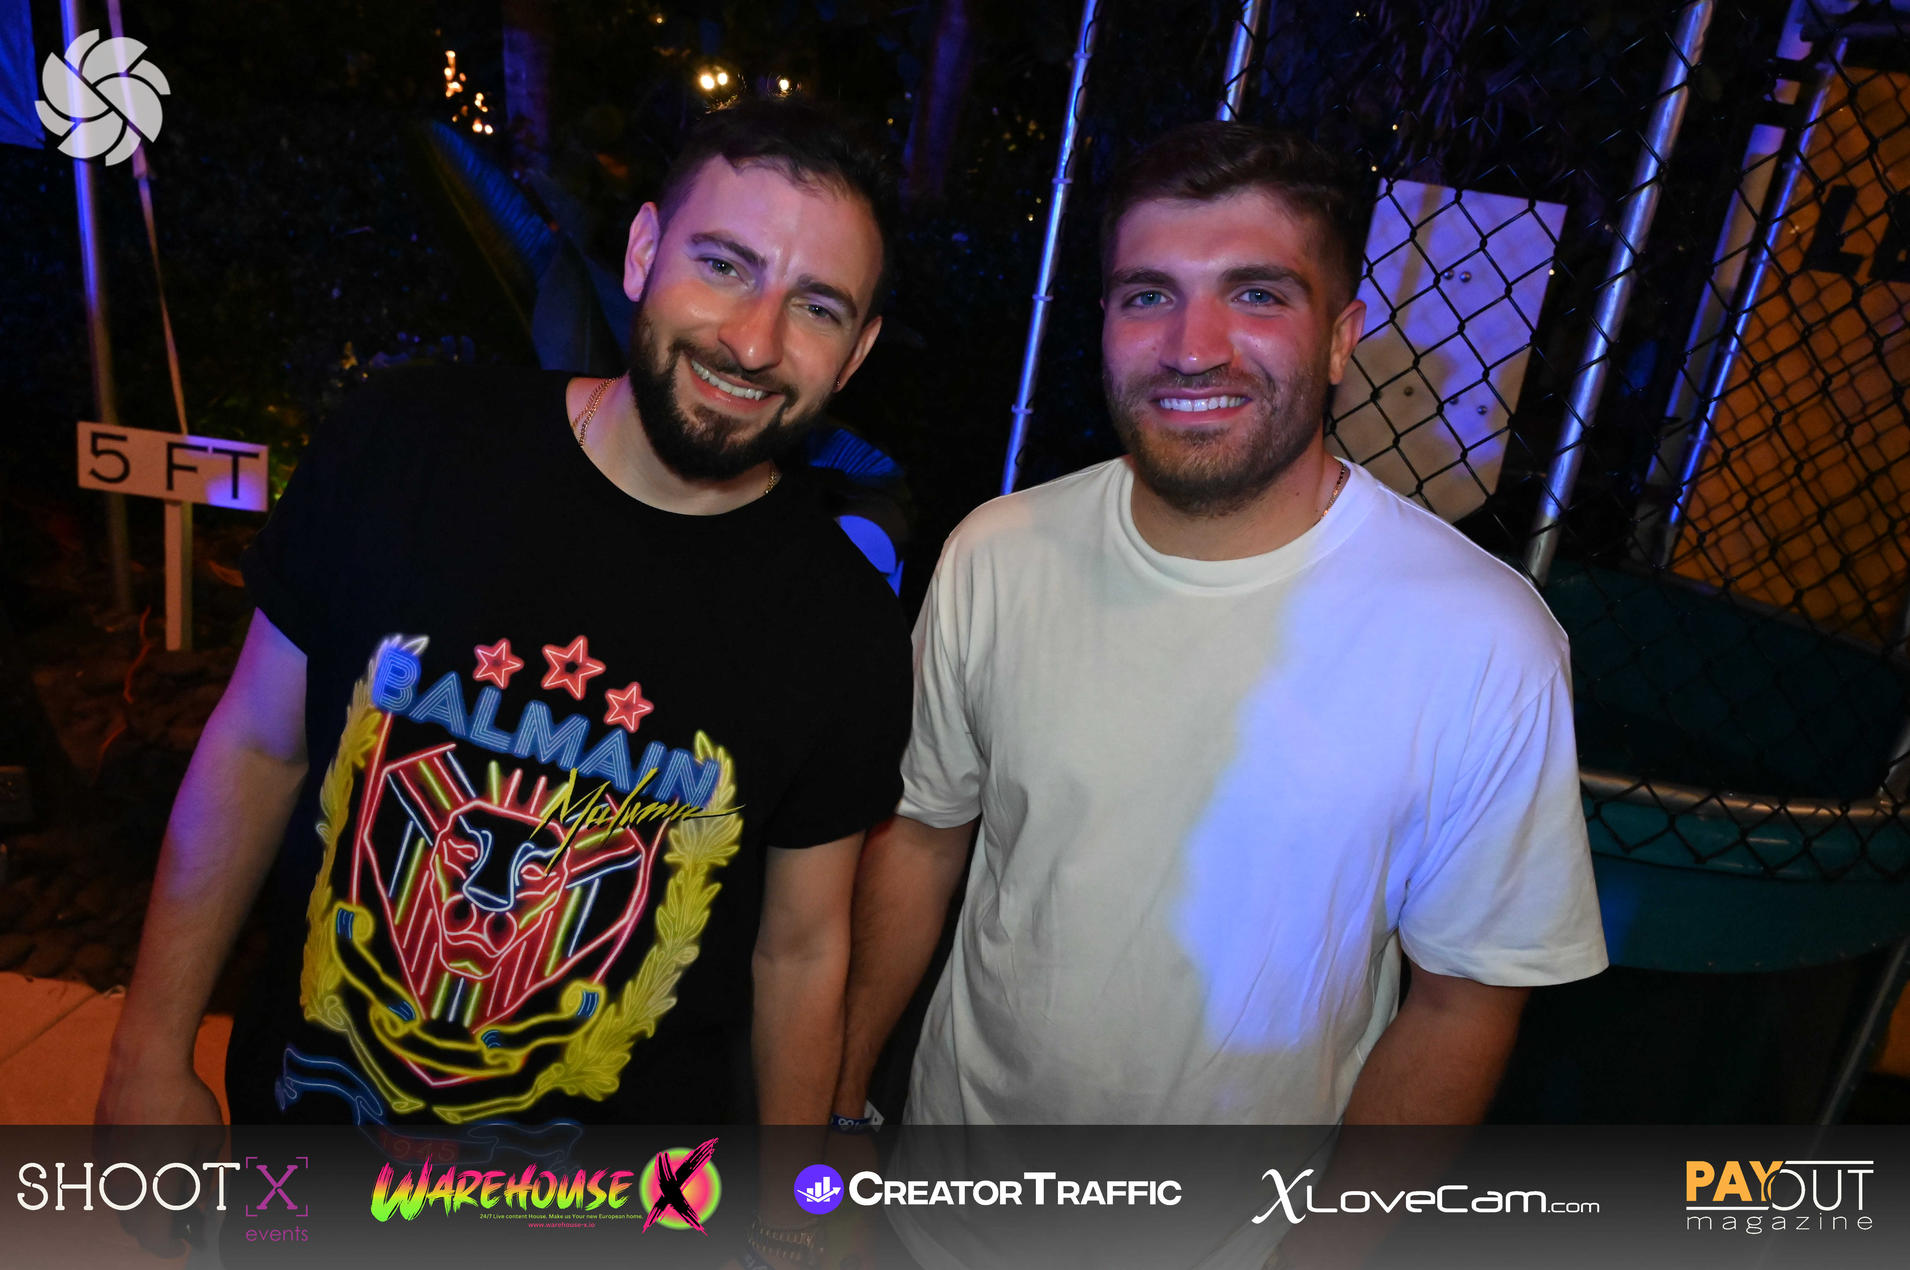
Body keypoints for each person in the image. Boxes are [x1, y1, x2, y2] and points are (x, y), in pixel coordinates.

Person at [96, 96, 912, 1128]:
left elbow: (799, 950)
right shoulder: (405, 448)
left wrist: (795, 1199)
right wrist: (147, 1052)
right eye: (723, 265)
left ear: (856, 352)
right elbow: (256, 750)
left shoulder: (846, 626)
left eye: (817, 307)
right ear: (643, 253)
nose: (754, 342)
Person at [833, 121, 1607, 1127]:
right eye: (1148, 295)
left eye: (1257, 295)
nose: (1191, 348)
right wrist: (835, 1108)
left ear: (1340, 338)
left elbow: (1460, 1005)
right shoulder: (997, 553)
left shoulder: (1484, 641)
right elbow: (923, 836)